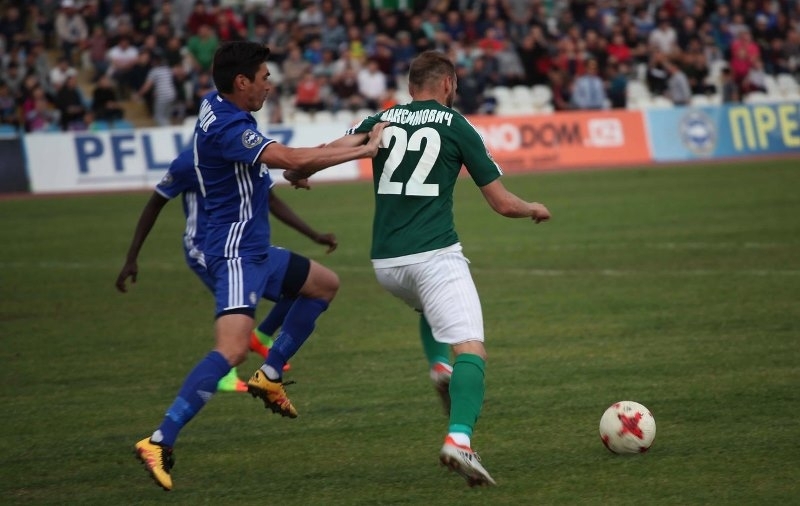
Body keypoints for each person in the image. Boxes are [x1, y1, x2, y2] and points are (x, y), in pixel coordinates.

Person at [284, 50, 551, 487]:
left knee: (431, 307)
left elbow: (326, 151)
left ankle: (438, 366)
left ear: (411, 88)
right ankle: (459, 440)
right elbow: (502, 203)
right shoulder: (458, 125)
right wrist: (532, 207)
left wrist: (298, 173)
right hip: (433, 257)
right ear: (448, 84)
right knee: (472, 348)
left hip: (387, 265)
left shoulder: (383, 118)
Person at [132, 40, 386, 491]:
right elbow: (290, 157)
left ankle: (269, 375)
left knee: (323, 285)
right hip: (234, 255)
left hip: (256, 249)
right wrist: (363, 151)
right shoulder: (229, 127)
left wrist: (300, 170)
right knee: (230, 350)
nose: (270, 85)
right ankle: (159, 440)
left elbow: (282, 166)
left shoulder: (218, 104)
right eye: (264, 77)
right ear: (241, 82)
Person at [115, 147, 338, 389]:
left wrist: (314, 235)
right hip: (206, 250)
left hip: (245, 246)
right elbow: (155, 204)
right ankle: (225, 373)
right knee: (234, 313)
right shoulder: (188, 163)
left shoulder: (249, 154)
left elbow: (271, 200)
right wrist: (131, 257)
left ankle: (261, 337)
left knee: (307, 285)